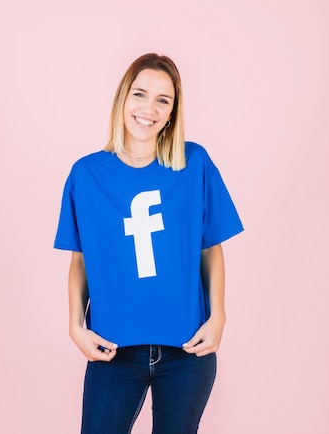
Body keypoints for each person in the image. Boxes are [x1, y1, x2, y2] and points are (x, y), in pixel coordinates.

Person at [54, 53, 243, 434]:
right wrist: (75, 325)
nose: (149, 109)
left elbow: (210, 248)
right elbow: (80, 260)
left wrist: (218, 316)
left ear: (173, 112)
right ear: (123, 98)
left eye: (163, 100)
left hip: (187, 352)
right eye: (140, 94)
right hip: (113, 352)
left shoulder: (194, 164)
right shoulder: (86, 175)